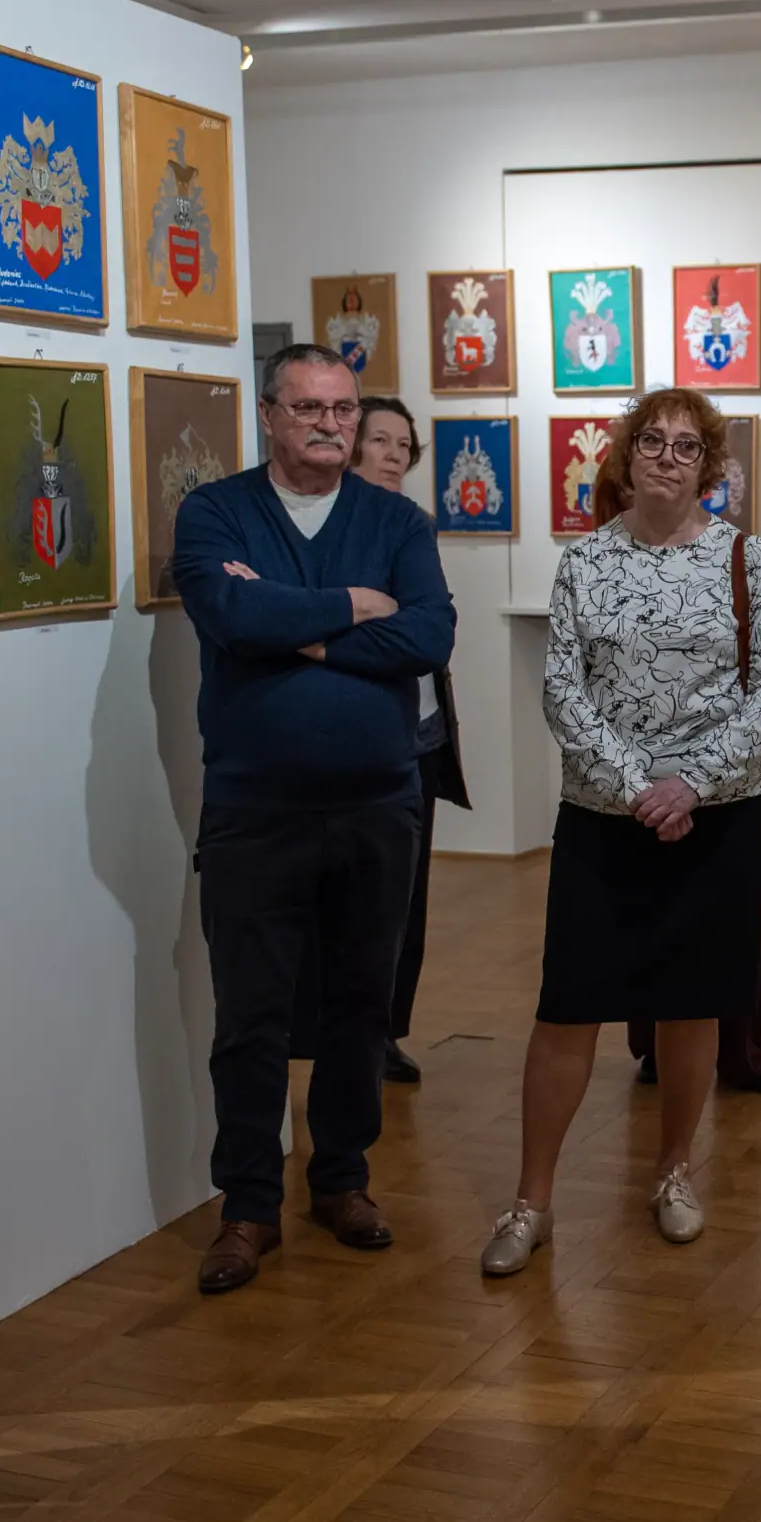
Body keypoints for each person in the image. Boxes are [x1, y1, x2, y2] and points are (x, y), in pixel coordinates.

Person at [482, 388, 761, 1277]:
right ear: (626, 456)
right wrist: (636, 788)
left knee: (691, 1002)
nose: (667, 456)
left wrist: (689, 783)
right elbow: (563, 690)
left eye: (687, 445)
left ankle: (673, 1172)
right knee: (568, 1005)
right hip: (603, 819)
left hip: (714, 815)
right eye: (652, 440)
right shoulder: (585, 562)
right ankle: (532, 1200)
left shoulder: (746, 559)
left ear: (710, 465)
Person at [172, 345, 456, 1292]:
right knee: (249, 1017)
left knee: (360, 1010)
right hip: (254, 810)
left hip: (377, 806)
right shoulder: (215, 512)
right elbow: (228, 615)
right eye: (308, 408)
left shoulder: (396, 520)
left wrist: (298, 628)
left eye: (342, 410)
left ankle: (341, 1179)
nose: (330, 425)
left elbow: (429, 632)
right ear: (268, 415)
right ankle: (249, 1202)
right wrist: (352, 607)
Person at [347, 394, 469, 1086]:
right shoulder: (334, 526)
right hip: (359, 734)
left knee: (408, 897)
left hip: (420, 734)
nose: (395, 456)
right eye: (381, 441)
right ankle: (345, 1034)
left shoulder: (416, 524)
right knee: (355, 901)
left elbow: (429, 629)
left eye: (404, 445)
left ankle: (388, 1030)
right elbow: (348, 624)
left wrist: (389, 618)